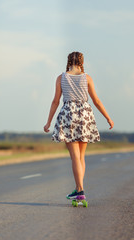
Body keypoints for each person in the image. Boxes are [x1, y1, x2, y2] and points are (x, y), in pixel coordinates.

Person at [44, 51, 114, 200]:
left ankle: (80, 190)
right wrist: (108, 118)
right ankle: (79, 189)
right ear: (82, 62)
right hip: (85, 116)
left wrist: (48, 122)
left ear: (69, 61)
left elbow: (55, 102)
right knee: (81, 156)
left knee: (75, 156)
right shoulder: (87, 78)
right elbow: (96, 101)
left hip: (69, 116)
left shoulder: (61, 78)